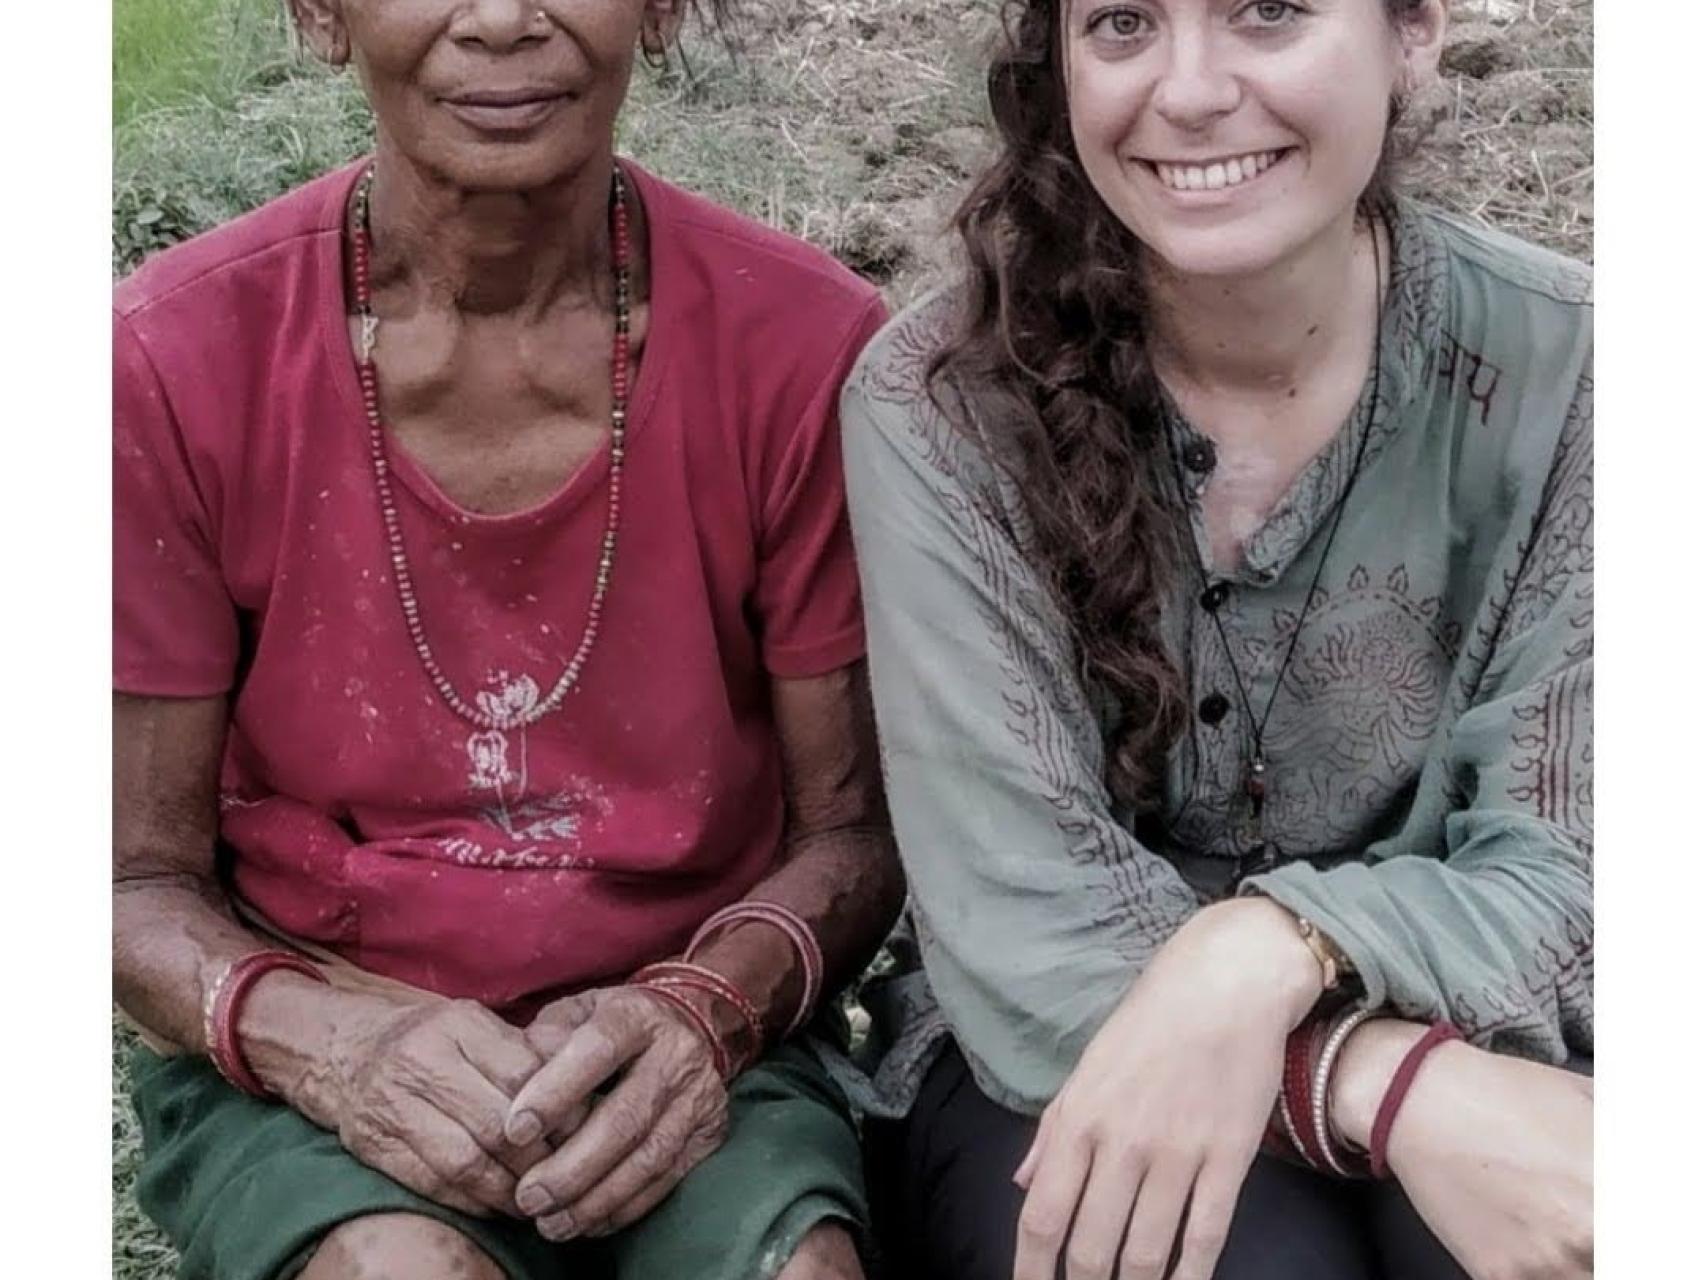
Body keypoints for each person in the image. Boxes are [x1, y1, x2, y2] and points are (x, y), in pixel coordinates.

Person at [112, 3, 903, 1279]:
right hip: (326, 1017)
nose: (498, 21)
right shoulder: (174, 355)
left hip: (692, 1028)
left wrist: (699, 1015)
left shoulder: (803, 347)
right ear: (321, 14)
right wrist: (328, 1043)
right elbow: (129, 882)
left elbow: (850, 836)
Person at [839, 3, 1592, 1279]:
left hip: (1498, 1020)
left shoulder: (1583, 373)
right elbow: (1024, 923)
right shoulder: (943, 403)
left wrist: (1266, 944)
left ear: (1413, 33)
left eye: (1268, 13)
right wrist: (1380, 1077)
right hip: (1059, 1051)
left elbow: (1580, 862)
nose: (1188, 91)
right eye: (1123, 22)